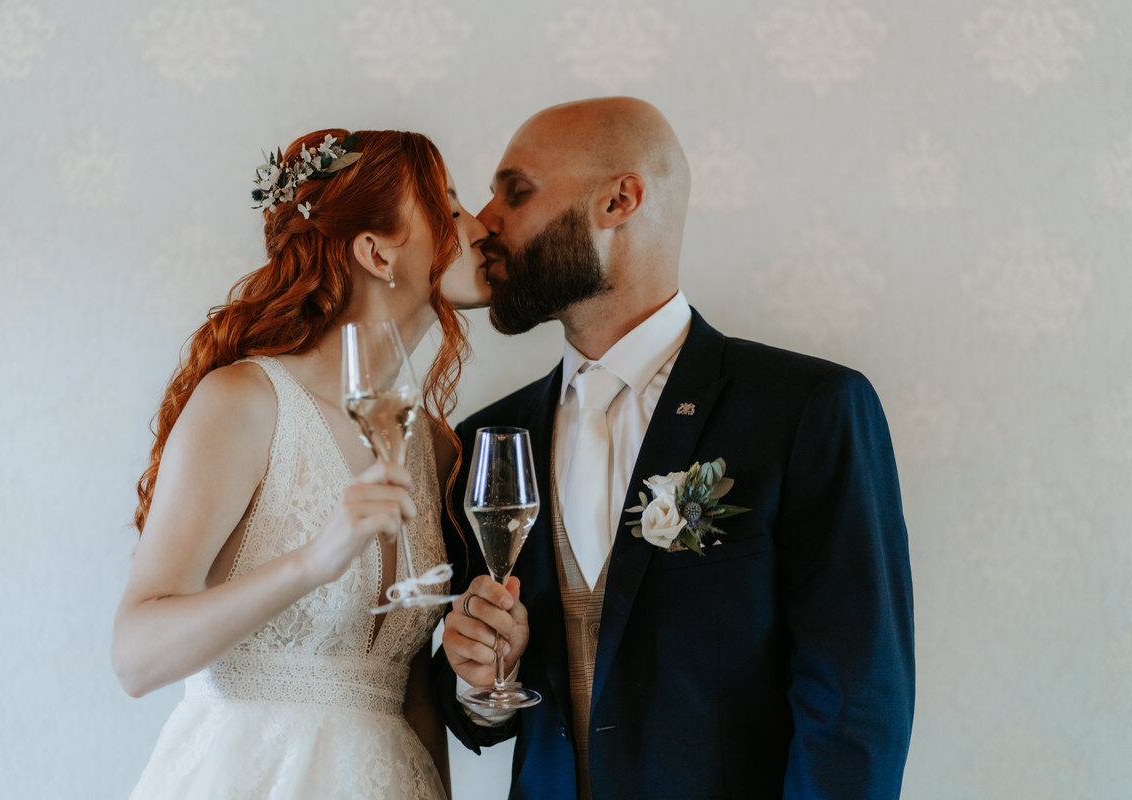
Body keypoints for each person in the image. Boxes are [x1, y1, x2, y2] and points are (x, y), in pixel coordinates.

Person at [435, 97, 916, 800]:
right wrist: (481, 681)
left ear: (620, 200)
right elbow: (481, 717)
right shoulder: (488, 441)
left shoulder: (807, 410)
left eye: (517, 192)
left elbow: (855, 704)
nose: (485, 221)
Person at [113, 127, 490, 799]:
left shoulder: (433, 444)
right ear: (376, 251)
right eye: (451, 206)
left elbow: (410, 693)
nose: (480, 227)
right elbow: (136, 657)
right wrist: (312, 562)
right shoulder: (246, 403)